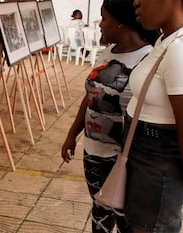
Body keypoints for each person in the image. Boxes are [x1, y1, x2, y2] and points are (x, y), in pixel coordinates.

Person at [61, 0, 160, 232]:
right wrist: (71, 135)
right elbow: (91, 98)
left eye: (104, 19)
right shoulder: (108, 52)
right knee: (99, 212)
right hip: (93, 152)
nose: (100, 25)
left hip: (124, 159)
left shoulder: (148, 59)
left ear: (120, 24)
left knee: (126, 219)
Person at [123, 0, 183, 232]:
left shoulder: (179, 50)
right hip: (144, 160)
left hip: (157, 167)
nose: (135, 2)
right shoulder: (165, 40)